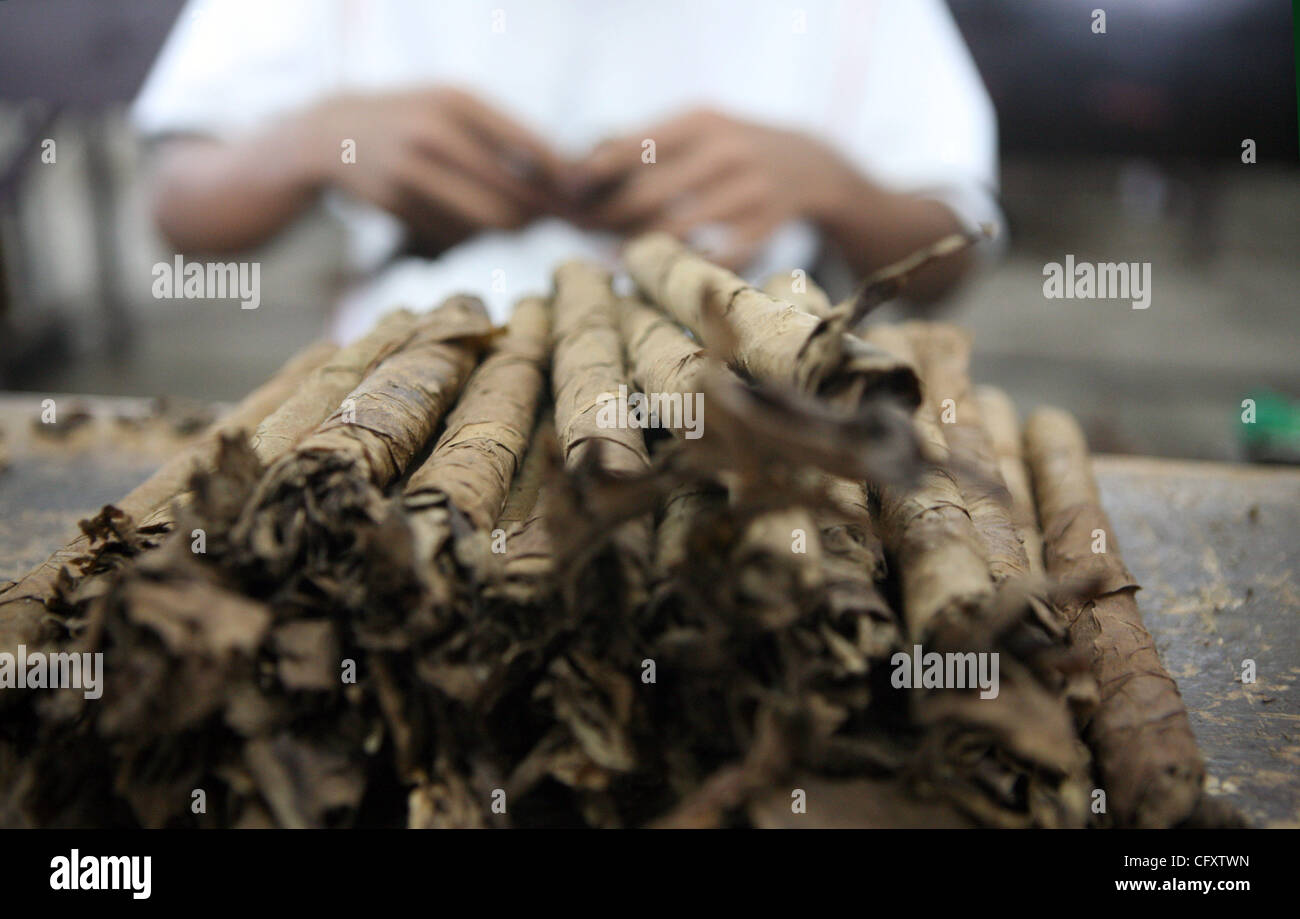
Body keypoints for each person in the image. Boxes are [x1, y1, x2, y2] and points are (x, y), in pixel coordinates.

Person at [133, 0, 1001, 338]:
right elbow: (179, 202)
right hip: (397, 387)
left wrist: (838, 184)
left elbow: (956, 244)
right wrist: (310, 141)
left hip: (756, 394)